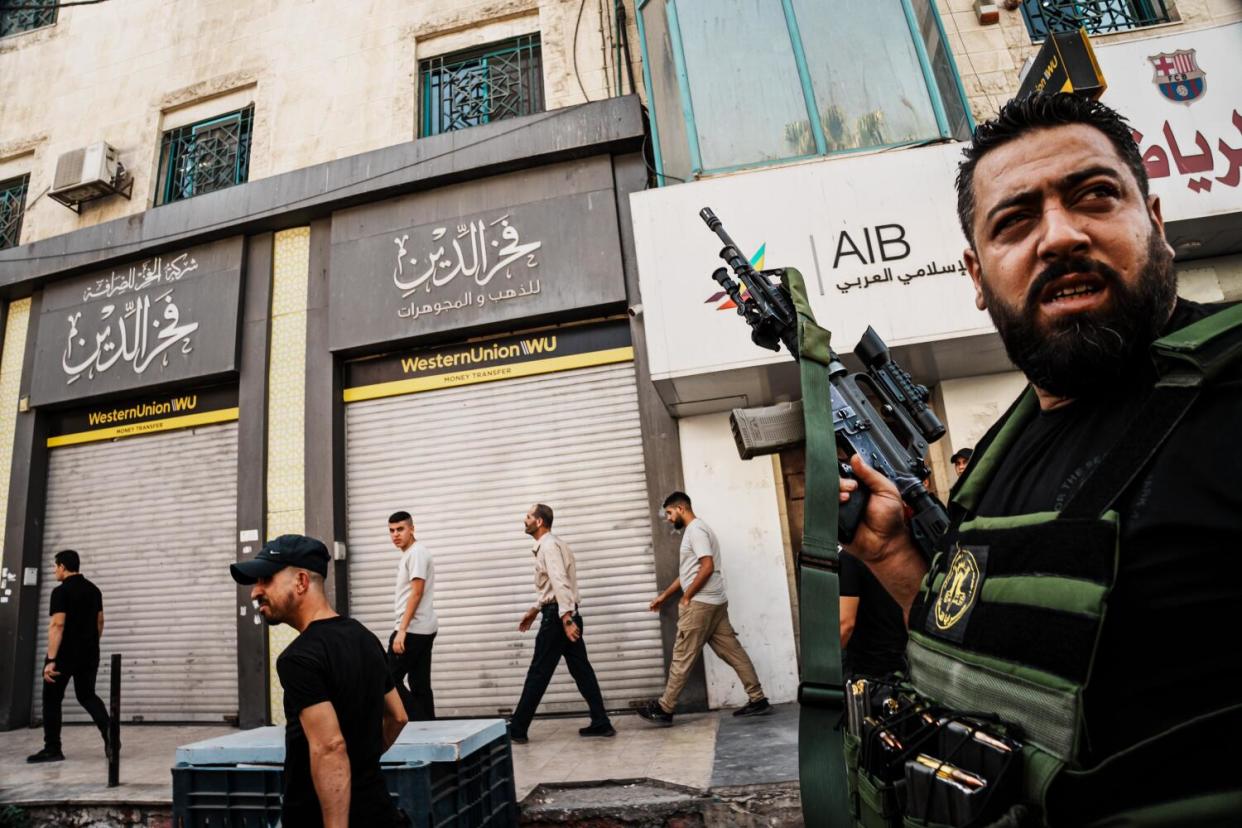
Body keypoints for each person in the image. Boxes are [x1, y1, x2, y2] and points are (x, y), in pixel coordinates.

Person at [840, 93, 1242, 823]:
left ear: (1155, 222)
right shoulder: (997, 455)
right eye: (1015, 221)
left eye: (1095, 196)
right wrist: (894, 554)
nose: (1058, 236)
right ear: (976, 272)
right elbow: (980, 667)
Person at [231, 535, 408, 828]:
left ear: (301, 581)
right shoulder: (364, 637)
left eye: (265, 579)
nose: (254, 592)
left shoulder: (298, 659)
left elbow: (329, 747)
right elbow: (398, 717)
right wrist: (360, 765)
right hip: (378, 811)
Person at [638, 491, 770, 726]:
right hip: (715, 603)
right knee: (732, 651)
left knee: (682, 654)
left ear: (681, 508)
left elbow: (706, 566)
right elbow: (688, 573)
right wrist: (665, 596)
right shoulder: (701, 529)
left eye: (669, 513)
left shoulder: (696, 531)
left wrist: (687, 596)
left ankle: (665, 707)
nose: (668, 518)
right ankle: (757, 698)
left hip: (701, 604)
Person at [508, 503, 614, 743]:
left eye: (528, 517)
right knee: (582, 670)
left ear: (539, 522)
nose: (524, 520)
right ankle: (601, 722)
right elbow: (553, 585)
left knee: (538, 672)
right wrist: (536, 609)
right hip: (563, 613)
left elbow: (559, 581)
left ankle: (517, 728)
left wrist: (565, 619)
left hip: (558, 619)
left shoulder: (548, 546)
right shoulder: (555, 544)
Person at [26, 550, 112, 764]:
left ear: (63, 567)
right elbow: (100, 622)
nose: (55, 571)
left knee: (51, 699)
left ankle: (52, 748)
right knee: (87, 696)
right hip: (89, 653)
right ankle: (111, 737)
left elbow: (57, 625)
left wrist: (51, 660)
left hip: (64, 655)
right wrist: (92, 644)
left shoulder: (60, 592)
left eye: (55, 567)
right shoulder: (94, 590)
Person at [386, 511, 437, 721]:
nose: (395, 534)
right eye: (391, 531)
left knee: (387, 680)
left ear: (412, 529)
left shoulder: (416, 553)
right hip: (424, 628)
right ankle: (428, 729)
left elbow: (417, 592)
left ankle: (416, 721)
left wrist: (402, 630)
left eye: (400, 529)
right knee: (420, 685)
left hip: (412, 630)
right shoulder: (412, 553)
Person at [837, 548, 906, 680]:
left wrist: (822, 668)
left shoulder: (849, 558)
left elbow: (845, 625)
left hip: (865, 671)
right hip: (900, 665)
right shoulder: (898, 551)